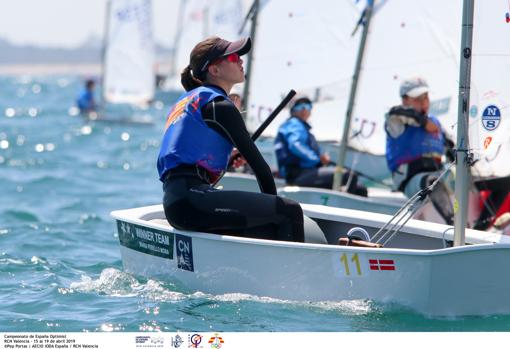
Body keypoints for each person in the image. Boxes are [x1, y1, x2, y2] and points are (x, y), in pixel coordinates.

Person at [157, 36, 304, 243]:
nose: (241, 61)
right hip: (192, 201)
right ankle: (293, 273)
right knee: (289, 211)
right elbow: (261, 169)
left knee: (268, 219)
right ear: (214, 70)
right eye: (234, 57)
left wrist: (226, 158)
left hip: (177, 201)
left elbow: (189, 153)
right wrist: (276, 205)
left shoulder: (189, 100)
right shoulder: (220, 106)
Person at [385, 77, 454, 224]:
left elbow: (452, 147)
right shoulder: (396, 119)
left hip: (435, 176)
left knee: (470, 183)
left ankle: (477, 224)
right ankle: (454, 225)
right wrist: (423, 122)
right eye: (417, 98)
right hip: (410, 179)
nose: (424, 102)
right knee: (432, 182)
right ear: (405, 100)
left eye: (426, 97)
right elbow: (396, 112)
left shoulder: (435, 123)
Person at [274, 96, 367, 196]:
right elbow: (295, 145)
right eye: (300, 106)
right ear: (293, 110)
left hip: (306, 173)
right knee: (349, 176)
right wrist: (317, 159)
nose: (305, 110)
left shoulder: (300, 127)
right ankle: (341, 205)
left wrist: (320, 161)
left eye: (308, 106)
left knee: (360, 189)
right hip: (297, 175)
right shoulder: (294, 124)